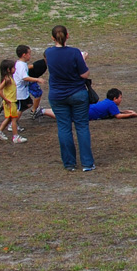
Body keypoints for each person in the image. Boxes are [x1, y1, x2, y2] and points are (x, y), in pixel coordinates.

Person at [44, 24, 94, 171]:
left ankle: (69, 163)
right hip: (77, 93)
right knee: (82, 127)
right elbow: (84, 74)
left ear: (53, 38)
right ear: (67, 36)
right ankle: (87, 163)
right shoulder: (74, 53)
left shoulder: (49, 53)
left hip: (57, 95)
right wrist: (83, 59)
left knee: (64, 128)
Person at [41, 88, 137, 121]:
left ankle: (43, 111)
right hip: (85, 114)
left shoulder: (108, 102)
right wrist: (131, 114)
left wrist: (127, 111)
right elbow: (118, 116)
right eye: (120, 97)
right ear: (115, 98)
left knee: (66, 113)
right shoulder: (112, 105)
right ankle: (43, 111)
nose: (121, 99)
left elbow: (117, 112)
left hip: (86, 109)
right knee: (65, 117)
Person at [0, 59, 27, 144]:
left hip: (11, 102)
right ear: (8, 69)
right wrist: (6, 99)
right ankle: (15, 137)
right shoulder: (7, 79)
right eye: (13, 68)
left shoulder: (8, 78)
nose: (15, 69)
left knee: (9, 119)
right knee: (14, 120)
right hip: (11, 102)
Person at [12, 44, 45, 117]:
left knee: (28, 104)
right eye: (29, 54)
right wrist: (37, 79)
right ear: (24, 55)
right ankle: (12, 123)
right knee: (20, 108)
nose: (30, 56)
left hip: (23, 90)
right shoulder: (21, 65)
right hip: (19, 92)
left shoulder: (22, 64)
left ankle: (13, 120)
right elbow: (24, 77)